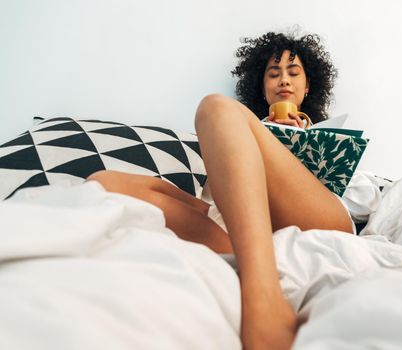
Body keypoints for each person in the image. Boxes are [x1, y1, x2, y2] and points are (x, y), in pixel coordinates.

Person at [87, 31, 354, 350]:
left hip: (317, 216)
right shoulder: (240, 127)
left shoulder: (324, 133)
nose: (284, 80)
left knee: (215, 107)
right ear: (263, 85)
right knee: (104, 182)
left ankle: (263, 293)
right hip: (240, 223)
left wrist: (299, 135)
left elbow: (345, 188)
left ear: (308, 86)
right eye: (274, 73)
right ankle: (209, 220)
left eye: (293, 73)